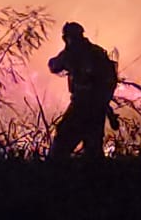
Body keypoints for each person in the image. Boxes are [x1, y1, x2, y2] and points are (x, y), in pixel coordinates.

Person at [47, 21, 118, 160]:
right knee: (93, 149)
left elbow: (54, 65)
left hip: (82, 106)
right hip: (97, 108)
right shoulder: (96, 53)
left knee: (62, 143)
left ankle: (55, 176)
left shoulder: (74, 53)